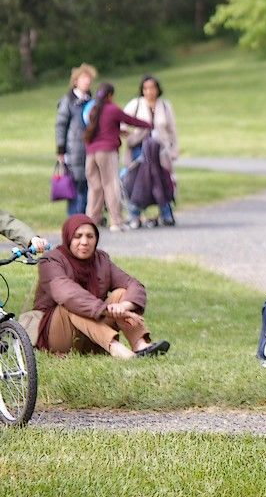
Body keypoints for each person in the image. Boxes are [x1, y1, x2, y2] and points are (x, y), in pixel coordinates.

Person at [22, 214, 170, 359]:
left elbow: (133, 284)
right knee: (72, 305)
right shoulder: (51, 261)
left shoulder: (101, 259)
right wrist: (106, 310)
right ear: (68, 237)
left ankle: (140, 345)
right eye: (78, 236)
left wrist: (124, 306)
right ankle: (117, 349)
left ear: (96, 239)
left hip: (92, 336)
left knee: (121, 293)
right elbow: (68, 294)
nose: (84, 242)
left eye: (90, 236)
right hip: (59, 337)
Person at [84, 83, 151, 231]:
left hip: (90, 153)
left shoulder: (94, 110)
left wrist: (118, 132)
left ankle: (90, 221)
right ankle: (116, 221)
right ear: (110, 95)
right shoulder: (112, 109)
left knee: (95, 188)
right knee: (111, 185)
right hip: (107, 152)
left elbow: (101, 129)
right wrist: (149, 124)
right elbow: (130, 120)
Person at [123, 75, 179, 227]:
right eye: (146, 88)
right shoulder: (136, 104)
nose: (149, 92)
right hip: (140, 149)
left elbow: (172, 130)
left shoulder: (165, 106)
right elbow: (122, 121)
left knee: (162, 180)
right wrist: (128, 134)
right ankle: (134, 213)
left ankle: (166, 212)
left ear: (157, 89)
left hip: (160, 150)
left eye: (152, 88)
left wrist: (174, 149)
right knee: (139, 181)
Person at [55, 63, 97, 215]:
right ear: (75, 81)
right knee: (75, 186)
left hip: (91, 150)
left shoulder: (92, 101)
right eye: (84, 78)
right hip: (74, 150)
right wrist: (61, 150)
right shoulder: (68, 101)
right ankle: (74, 220)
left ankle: (86, 218)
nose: (87, 81)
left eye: (89, 78)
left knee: (89, 184)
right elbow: (61, 125)